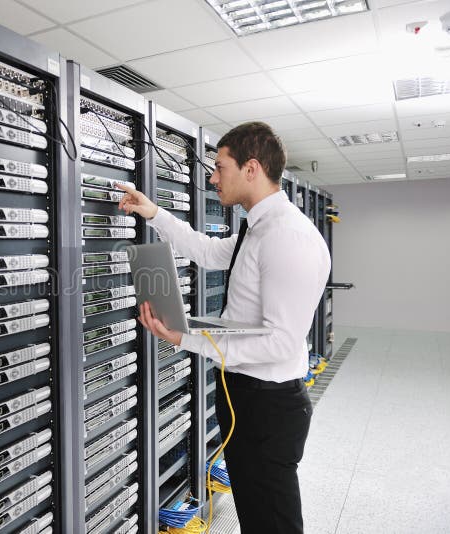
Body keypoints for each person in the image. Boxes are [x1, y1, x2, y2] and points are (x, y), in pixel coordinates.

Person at [117, 121, 330, 533]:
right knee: (257, 518)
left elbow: (281, 343)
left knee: (273, 523)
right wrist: (154, 212)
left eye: (219, 167)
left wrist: (186, 339)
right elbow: (209, 251)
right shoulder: (260, 228)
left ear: (251, 168)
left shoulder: (288, 236)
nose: (212, 178)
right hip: (246, 400)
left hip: (268, 407)